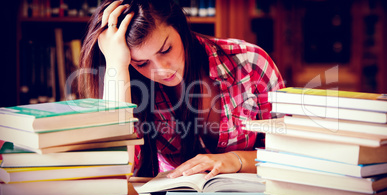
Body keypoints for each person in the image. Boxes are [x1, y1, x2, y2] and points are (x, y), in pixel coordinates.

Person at [79, 0, 284, 179]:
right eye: (141, 63)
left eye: (166, 49)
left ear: (180, 26)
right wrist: (116, 65)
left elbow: (291, 155)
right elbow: (117, 168)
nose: (162, 69)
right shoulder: (131, 84)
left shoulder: (251, 64)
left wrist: (236, 160)